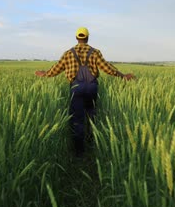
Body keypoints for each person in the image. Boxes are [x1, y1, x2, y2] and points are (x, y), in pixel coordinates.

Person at [35, 27, 135, 156]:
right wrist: (123, 75)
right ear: (87, 38)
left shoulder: (68, 53)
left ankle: (79, 151)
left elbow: (56, 69)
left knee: (77, 118)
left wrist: (44, 74)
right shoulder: (95, 52)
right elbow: (107, 68)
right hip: (92, 87)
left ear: (77, 38)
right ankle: (92, 142)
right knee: (91, 114)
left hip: (76, 88)